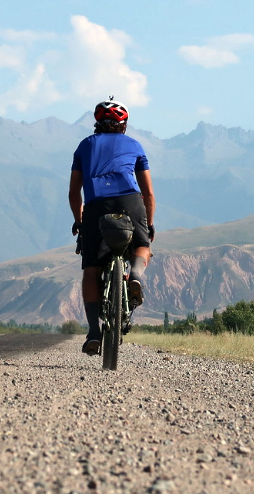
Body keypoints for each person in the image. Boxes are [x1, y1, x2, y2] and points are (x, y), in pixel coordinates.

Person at [68, 97, 156, 355]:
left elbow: (75, 192)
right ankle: (136, 275)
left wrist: (79, 220)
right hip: (131, 201)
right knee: (142, 245)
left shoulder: (85, 146)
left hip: (96, 206)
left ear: (97, 123)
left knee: (92, 270)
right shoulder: (135, 145)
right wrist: (148, 223)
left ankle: (94, 332)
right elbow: (148, 192)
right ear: (124, 124)